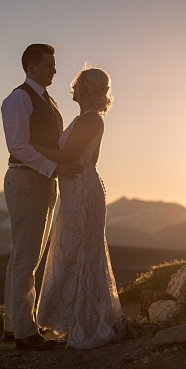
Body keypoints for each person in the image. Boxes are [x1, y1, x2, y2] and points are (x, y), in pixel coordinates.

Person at [33, 67, 126, 349]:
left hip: (82, 189)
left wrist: (29, 145)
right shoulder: (86, 119)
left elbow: (68, 155)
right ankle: (76, 317)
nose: (72, 88)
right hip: (76, 187)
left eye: (77, 84)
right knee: (72, 249)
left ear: (85, 89)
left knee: (80, 250)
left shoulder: (90, 120)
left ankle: (87, 321)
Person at [1, 43, 81, 351]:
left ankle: (13, 326)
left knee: (22, 255)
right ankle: (26, 333)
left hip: (39, 180)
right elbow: (17, 145)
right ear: (31, 66)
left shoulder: (47, 100)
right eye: (48, 65)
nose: (54, 70)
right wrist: (55, 167)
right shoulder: (19, 98)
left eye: (54, 65)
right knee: (27, 258)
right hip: (27, 179)